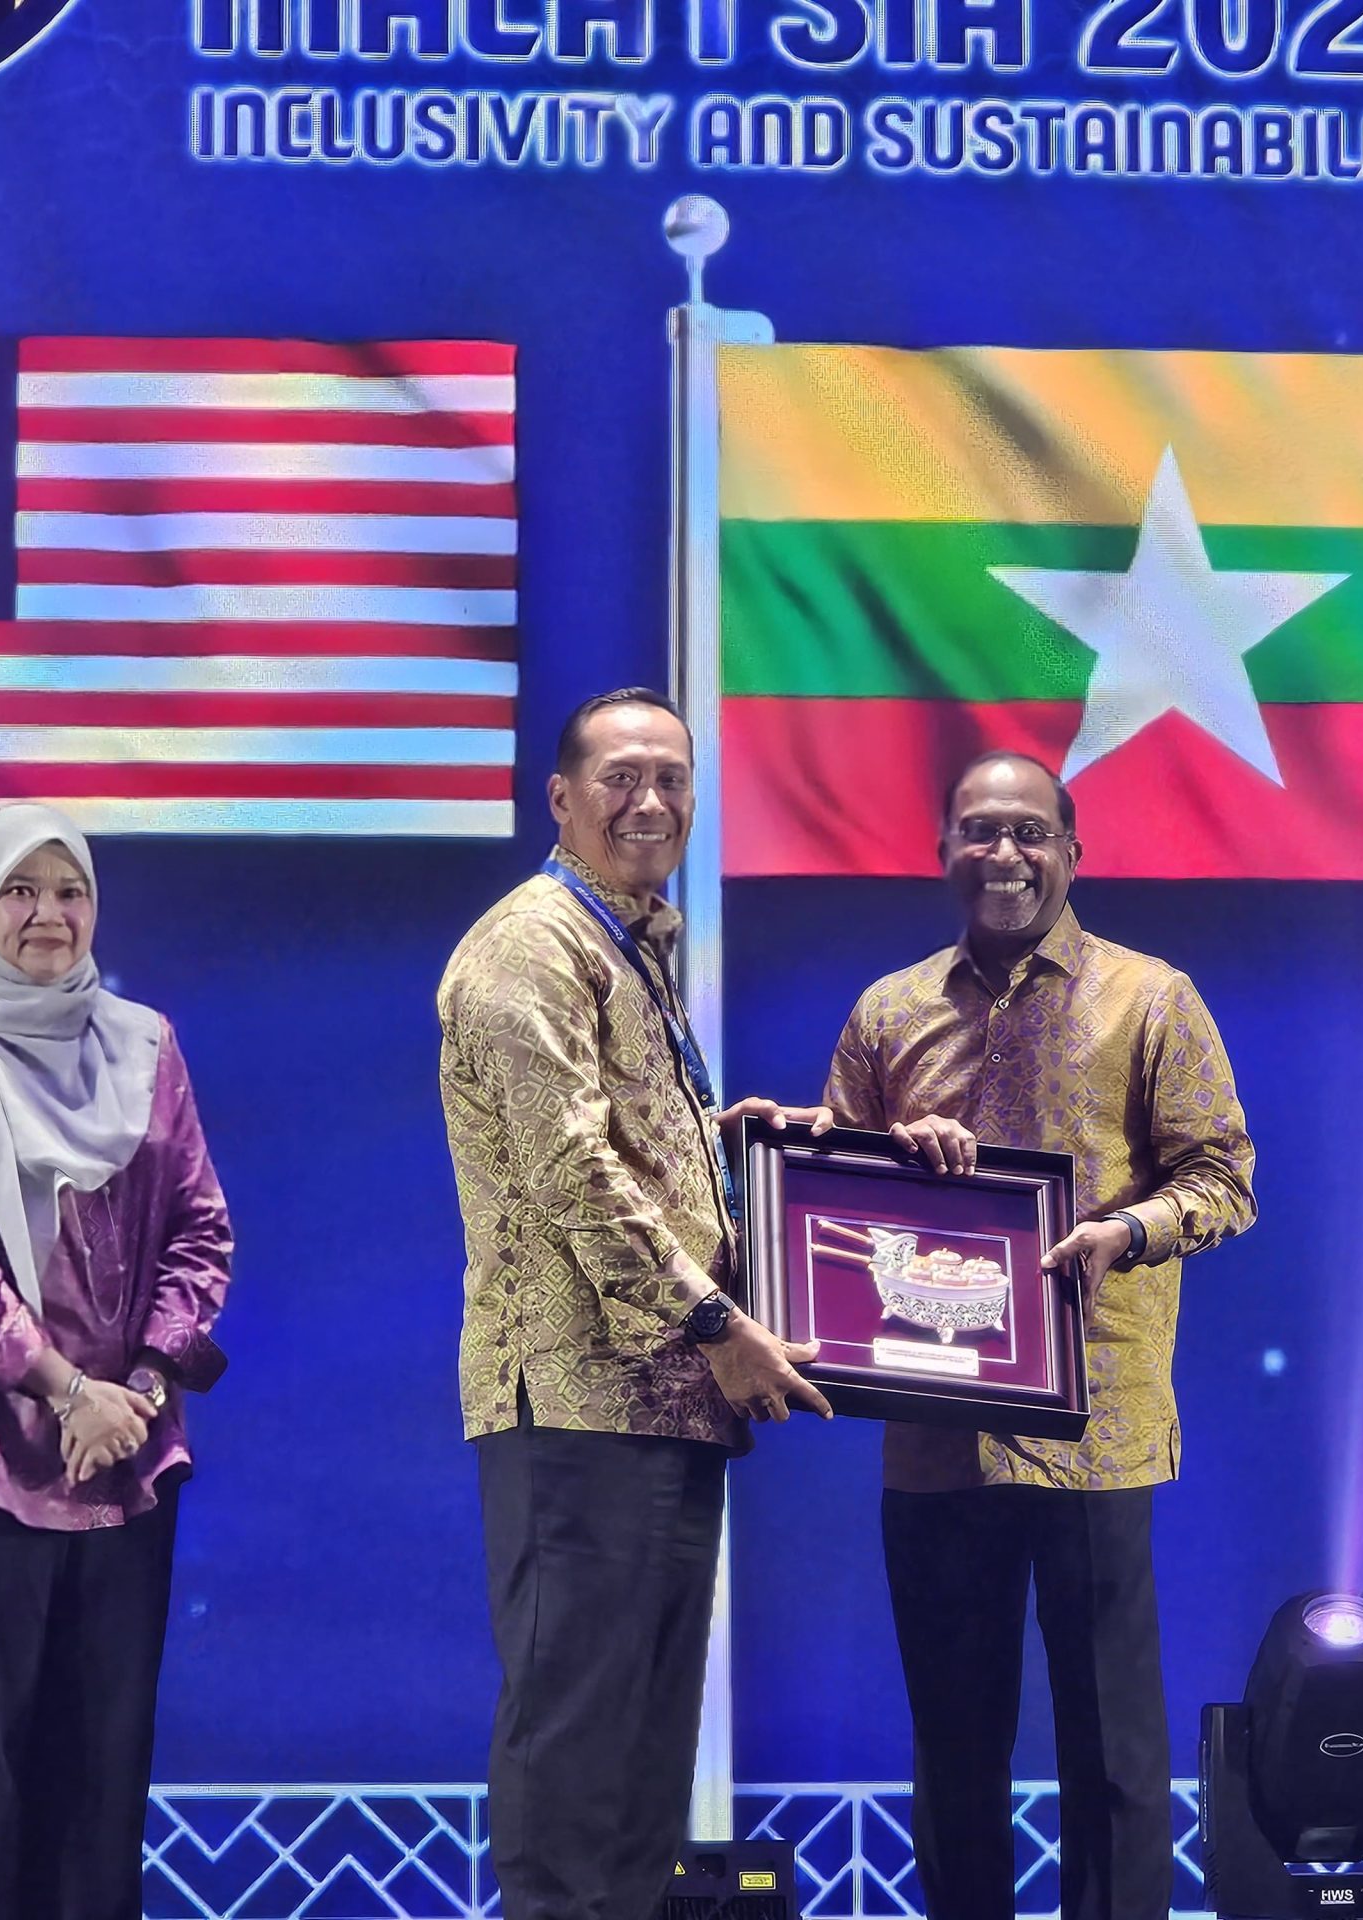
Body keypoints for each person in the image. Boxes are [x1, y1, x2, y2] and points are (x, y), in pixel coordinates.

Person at [823, 751, 1258, 1920]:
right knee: (954, 1752)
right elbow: (834, 1215)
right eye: (979, 830)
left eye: (1028, 833)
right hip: (935, 1436)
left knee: (1114, 1756)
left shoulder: (1150, 998)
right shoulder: (886, 1013)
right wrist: (872, 1161)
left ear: (1072, 852)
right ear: (942, 851)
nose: (1003, 854)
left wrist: (1129, 1230)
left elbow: (1224, 1180)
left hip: (1096, 1429)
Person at [437, 686, 833, 1920]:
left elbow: (625, 1150)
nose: (649, 800)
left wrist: (739, 1158)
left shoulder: (628, 944)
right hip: (574, 1403)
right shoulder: (530, 945)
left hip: (664, 1408)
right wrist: (716, 1324)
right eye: (620, 776)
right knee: (575, 1746)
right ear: (561, 798)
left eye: (671, 777)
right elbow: (567, 1169)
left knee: (643, 1765)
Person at [0, 801, 233, 1920]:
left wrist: (141, 1390)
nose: (48, 914)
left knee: (102, 1784)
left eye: (69, 890)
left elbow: (200, 1231)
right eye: (20, 891)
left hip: (126, 1456)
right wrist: (68, 1391)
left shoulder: (146, 1045)